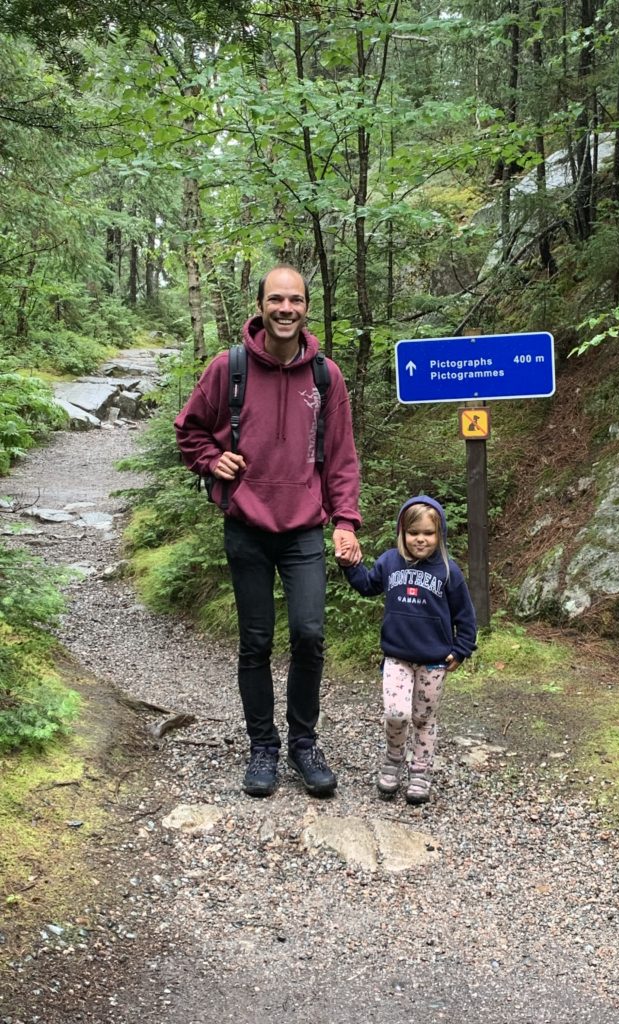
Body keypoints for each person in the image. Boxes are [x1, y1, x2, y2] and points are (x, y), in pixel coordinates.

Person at [174, 265, 362, 799]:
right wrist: (212, 460)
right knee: (255, 641)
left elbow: (341, 457)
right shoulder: (228, 368)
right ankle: (263, 746)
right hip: (247, 527)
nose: (285, 308)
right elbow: (189, 430)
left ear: (307, 308)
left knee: (309, 634)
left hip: (303, 530)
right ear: (260, 306)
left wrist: (345, 521)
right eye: (276, 299)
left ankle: (304, 744)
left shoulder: (326, 376)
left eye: (295, 300)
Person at [343, 496, 476, 804]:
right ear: (401, 532)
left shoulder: (448, 571)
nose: (420, 539)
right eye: (413, 532)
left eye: (428, 533)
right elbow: (367, 585)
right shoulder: (390, 561)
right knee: (396, 713)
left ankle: (420, 770)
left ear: (440, 534)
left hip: (434, 661)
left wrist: (462, 649)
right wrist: (349, 564)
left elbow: (465, 615)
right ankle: (393, 760)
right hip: (396, 657)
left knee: (423, 718)